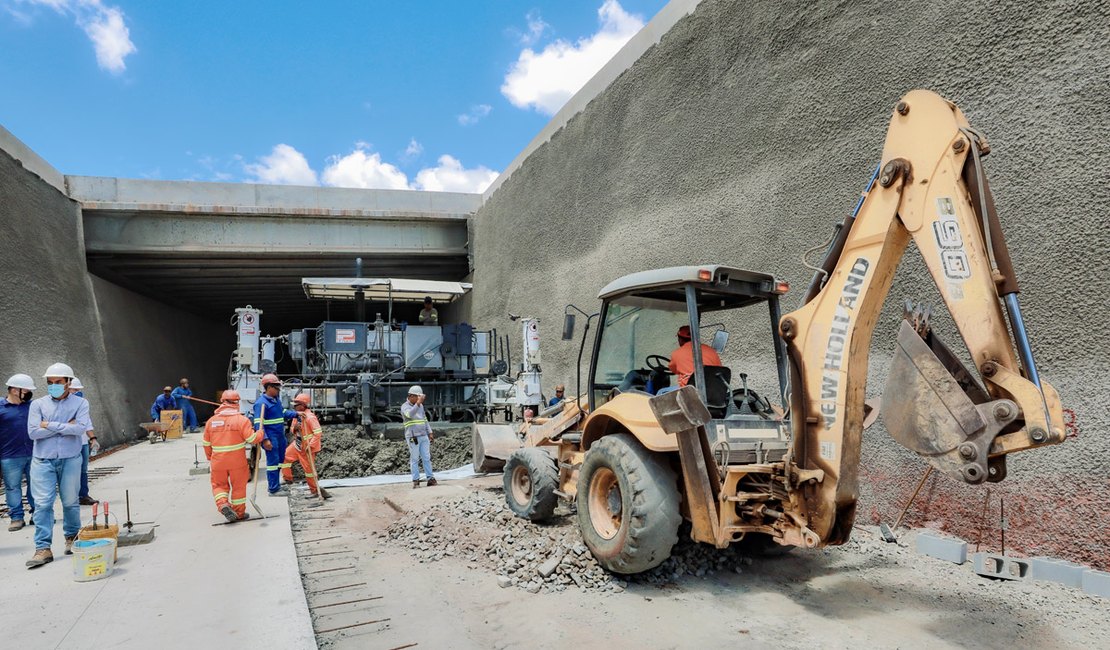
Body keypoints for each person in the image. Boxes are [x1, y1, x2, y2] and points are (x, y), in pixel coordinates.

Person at [26, 362, 91, 568]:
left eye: (58, 382)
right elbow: (33, 433)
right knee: (43, 504)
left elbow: (80, 428)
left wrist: (49, 425)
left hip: (70, 458)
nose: (54, 385)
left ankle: (72, 537)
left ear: (68, 383)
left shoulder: (81, 404)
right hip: (43, 460)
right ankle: (43, 548)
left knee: (71, 501)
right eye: (50, 382)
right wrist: (65, 427)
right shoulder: (37, 405)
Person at [204, 390, 271, 523]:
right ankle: (239, 513)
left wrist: (210, 457)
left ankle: (223, 504)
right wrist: (260, 433)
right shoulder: (241, 420)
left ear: (222, 402)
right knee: (239, 487)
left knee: (219, 485)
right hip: (237, 461)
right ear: (237, 402)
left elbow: (206, 443)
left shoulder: (211, 422)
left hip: (218, 461)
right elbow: (252, 439)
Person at [1, 374, 36, 532]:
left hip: (34, 453)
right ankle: (16, 517)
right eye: (26, 390)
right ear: (15, 390)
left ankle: (37, 514)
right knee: (12, 487)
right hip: (9, 455)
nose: (29, 393)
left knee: (35, 485)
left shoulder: (32, 406)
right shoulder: (1, 408)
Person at [252, 374, 295, 497]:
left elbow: (282, 412)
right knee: (273, 462)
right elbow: (258, 424)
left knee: (280, 460)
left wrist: (295, 414)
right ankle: (273, 489)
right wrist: (265, 440)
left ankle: (276, 484)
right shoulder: (261, 403)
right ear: (269, 387)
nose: (278, 390)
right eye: (276, 387)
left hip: (280, 436)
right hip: (271, 437)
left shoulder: (276, 400)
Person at [657, 325, 723, 395]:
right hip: (714, 392)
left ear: (680, 339)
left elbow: (673, 369)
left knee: (661, 392)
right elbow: (720, 369)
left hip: (690, 394)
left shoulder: (676, 353)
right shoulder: (711, 351)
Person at [281, 394, 323, 496]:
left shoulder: (310, 417)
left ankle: (315, 491)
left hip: (307, 447)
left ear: (303, 405)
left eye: (296, 404)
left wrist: (311, 446)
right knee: (285, 457)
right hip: (298, 444)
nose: (294, 406)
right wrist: (295, 428)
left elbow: (318, 432)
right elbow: (291, 430)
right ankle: (288, 479)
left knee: (309, 470)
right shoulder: (297, 416)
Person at [69, 378, 99, 506]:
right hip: (69, 443)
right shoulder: (60, 404)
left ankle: (83, 495)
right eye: (75, 390)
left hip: (83, 442)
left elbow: (87, 422)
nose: (78, 392)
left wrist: (93, 438)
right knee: (70, 471)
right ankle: (71, 497)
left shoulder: (82, 404)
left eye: (79, 390)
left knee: (83, 470)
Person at [401, 386, 436, 489]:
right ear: (411, 396)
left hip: (423, 436)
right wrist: (418, 404)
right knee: (415, 459)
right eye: (417, 397)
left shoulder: (420, 406)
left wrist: (430, 432)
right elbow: (410, 415)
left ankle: (430, 478)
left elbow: (424, 419)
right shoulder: (405, 406)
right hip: (413, 437)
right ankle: (416, 481)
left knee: (426, 458)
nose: (419, 399)